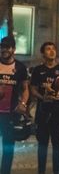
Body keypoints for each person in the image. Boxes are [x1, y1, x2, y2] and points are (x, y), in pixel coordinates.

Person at [30, 42, 59, 174]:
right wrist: (43, 97)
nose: (51, 51)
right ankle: (41, 171)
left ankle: (56, 171)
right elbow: (33, 89)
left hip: (58, 113)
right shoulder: (37, 70)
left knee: (57, 145)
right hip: (43, 112)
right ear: (43, 53)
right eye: (48, 49)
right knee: (42, 145)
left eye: (53, 48)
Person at [0, 36, 29, 174]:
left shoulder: (20, 68)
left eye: (7, 47)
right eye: (2, 47)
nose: (4, 50)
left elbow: (25, 89)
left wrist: (23, 103)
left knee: (8, 146)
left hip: (10, 113)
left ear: (14, 49)